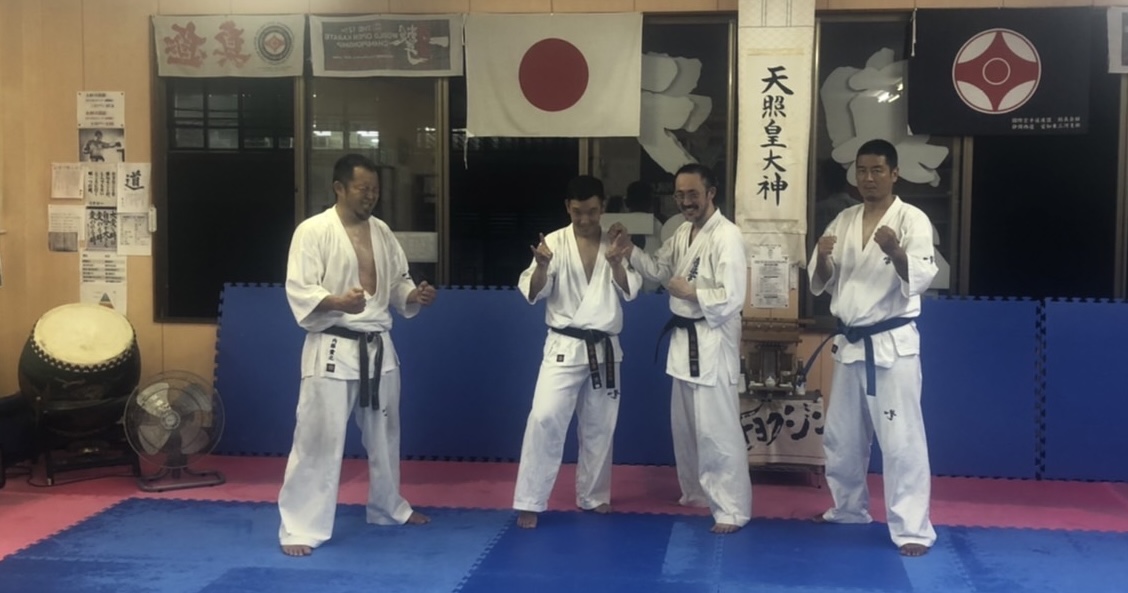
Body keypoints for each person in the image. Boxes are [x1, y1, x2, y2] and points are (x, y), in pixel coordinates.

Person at [278, 153, 437, 557]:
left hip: (379, 347)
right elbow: (299, 288)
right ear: (339, 188)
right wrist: (337, 302)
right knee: (317, 440)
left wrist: (413, 295)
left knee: (386, 436)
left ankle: (387, 507)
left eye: (375, 190)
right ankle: (300, 526)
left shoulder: (382, 232)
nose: (370, 196)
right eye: (363, 189)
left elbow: (398, 283)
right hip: (332, 348)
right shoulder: (313, 231)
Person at [806, 138, 938, 557]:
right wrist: (822, 258)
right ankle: (848, 509)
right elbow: (822, 280)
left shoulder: (912, 220)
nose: (868, 178)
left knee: (901, 440)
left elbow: (920, 278)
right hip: (850, 344)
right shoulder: (843, 219)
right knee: (842, 436)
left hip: (891, 347)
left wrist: (895, 251)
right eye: (861, 170)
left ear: (894, 174)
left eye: (877, 170)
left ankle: (913, 527)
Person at [609, 163, 752, 534]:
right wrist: (629, 250)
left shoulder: (727, 236)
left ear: (710, 193)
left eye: (693, 194)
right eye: (680, 195)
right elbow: (658, 270)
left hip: (713, 339)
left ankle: (732, 509)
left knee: (717, 430)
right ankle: (697, 493)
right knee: (686, 428)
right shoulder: (683, 232)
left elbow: (733, 297)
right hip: (685, 343)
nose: (686, 201)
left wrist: (693, 292)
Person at [513, 175, 642, 529]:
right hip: (564, 346)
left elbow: (631, 291)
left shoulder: (614, 243)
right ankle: (530, 500)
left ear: (603, 207)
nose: (585, 219)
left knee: (600, 426)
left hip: (605, 347)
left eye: (592, 212)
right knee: (544, 418)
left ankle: (594, 495)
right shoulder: (553, 244)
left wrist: (616, 263)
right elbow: (532, 293)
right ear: (567, 208)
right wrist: (542, 266)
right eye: (577, 212)